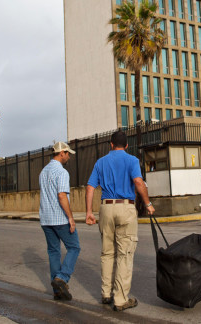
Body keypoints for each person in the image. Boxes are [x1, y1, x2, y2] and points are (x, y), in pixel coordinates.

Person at [85, 131, 155, 311]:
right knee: (125, 254)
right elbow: (138, 182)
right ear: (126, 146)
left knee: (107, 253)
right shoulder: (132, 160)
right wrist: (148, 204)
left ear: (110, 144)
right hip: (125, 207)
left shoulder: (100, 162)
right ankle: (120, 299)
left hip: (106, 207)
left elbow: (90, 187)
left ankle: (106, 293)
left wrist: (88, 212)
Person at [39, 141, 80, 301]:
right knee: (74, 247)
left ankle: (57, 291)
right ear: (61, 153)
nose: (69, 156)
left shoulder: (43, 171)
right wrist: (70, 217)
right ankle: (62, 278)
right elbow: (62, 196)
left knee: (53, 251)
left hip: (46, 219)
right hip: (60, 218)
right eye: (68, 153)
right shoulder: (62, 172)